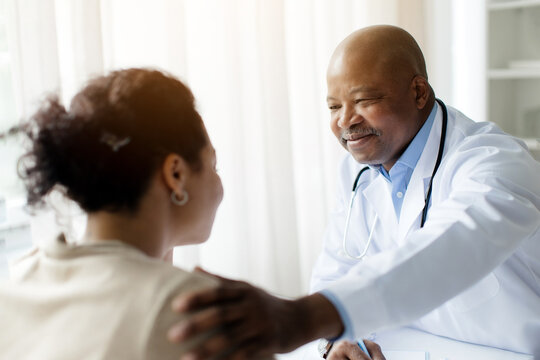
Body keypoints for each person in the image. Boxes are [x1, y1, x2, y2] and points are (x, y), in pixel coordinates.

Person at [167, 25, 540, 359]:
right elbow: (338, 265)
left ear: (418, 92)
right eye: (333, 106)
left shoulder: (494, 162)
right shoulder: (358, 168)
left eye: (364, 100)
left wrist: (303, 318)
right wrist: (336, 340)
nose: (345, 120)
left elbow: (448, 248)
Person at [0, 69, 225, 359]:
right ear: (176, 173)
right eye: (214, 166)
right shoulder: (196, 313)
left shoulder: (18, 285)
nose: (220, 186)